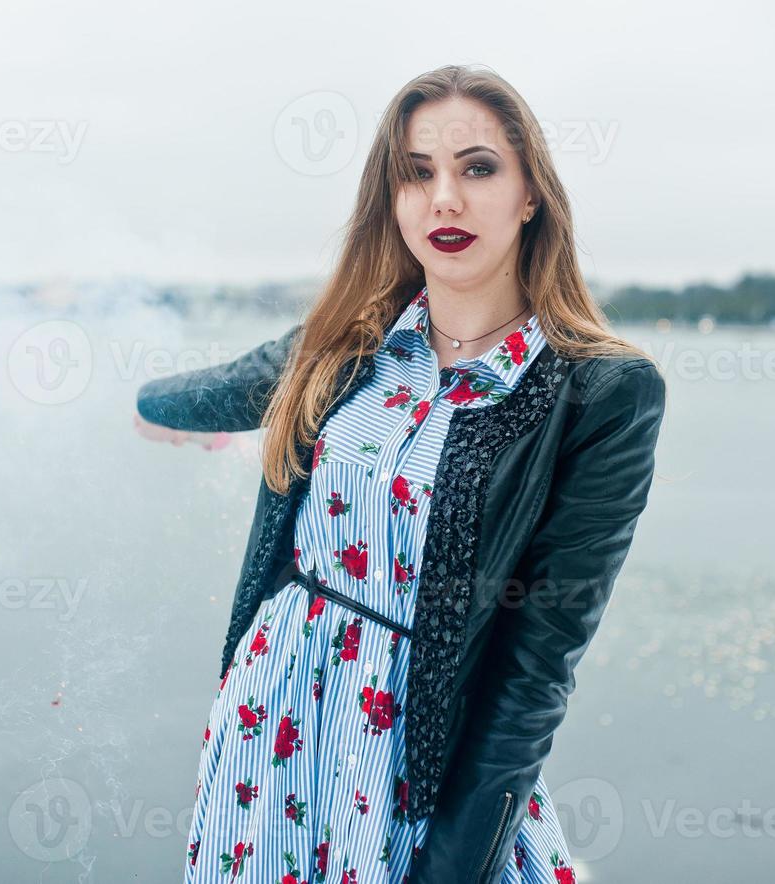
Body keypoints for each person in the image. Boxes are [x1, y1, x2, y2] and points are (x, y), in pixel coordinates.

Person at [136, 64, 668, 884]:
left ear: (531, 195)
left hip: (421, 760)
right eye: (415, 174)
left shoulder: (597, 391)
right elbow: (228, 389)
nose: (443, 199)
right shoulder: (345, 343)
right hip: (271, 729)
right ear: (392, 202)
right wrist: (143, 403)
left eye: (476, 168)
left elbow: (535, 668)